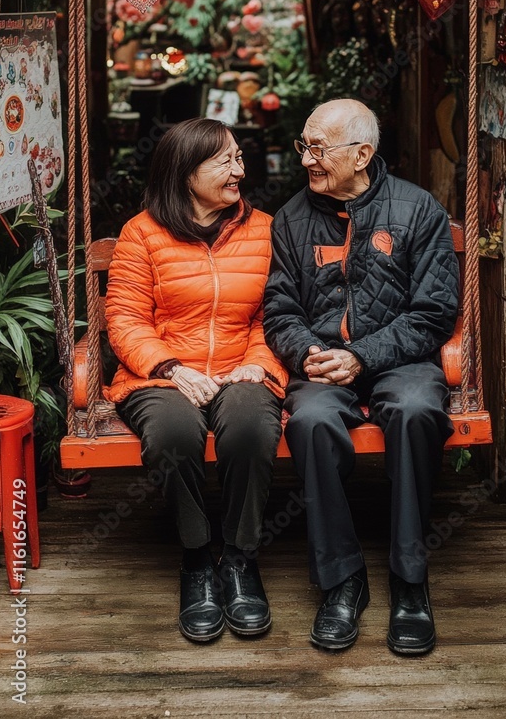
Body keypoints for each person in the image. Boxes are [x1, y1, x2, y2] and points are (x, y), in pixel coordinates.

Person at [263, 99, 459, 655]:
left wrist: (363, 355)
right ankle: (341, 579)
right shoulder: (292, 219)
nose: (307, 160)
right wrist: (306, 353)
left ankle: (410, 579)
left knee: (418, 410)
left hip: (401, 359)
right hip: (322, 365)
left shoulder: (418, 211)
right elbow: (279, 310)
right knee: (312, 420)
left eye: (318, 149)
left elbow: (433, 313)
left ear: (362, 154)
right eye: (305, 147)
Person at [104, 118, 288, 643]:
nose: (240, 170)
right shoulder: (142, 233)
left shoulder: (264, 229)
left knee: (253, 426)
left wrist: (258, 362)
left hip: (243, 368)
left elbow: (274, 314)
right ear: (186, 172)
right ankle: (196, 560)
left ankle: (239, 558)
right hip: (160, 376)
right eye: (226, 160)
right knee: (173, 434)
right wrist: (170, 368)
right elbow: (125, 319)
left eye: (239, 158)